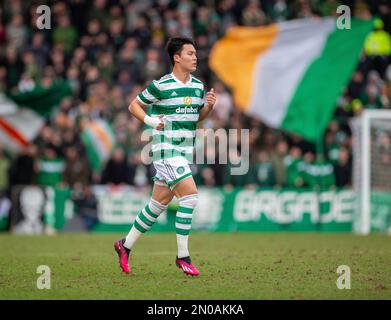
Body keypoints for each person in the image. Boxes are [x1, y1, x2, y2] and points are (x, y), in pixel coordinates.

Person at [114, 37, 216, 276]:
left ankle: (124, 245)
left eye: (195, 53)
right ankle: (183, 257)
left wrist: (208, 107)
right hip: (165, 149)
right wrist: (151, 121)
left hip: (183, 150)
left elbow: (196, 118)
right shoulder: (161, 85)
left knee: (157, 204)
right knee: (190, 196)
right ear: (176, 57)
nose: (195, 57)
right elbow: (133, 106)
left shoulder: (197, 86)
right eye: (190, 53)